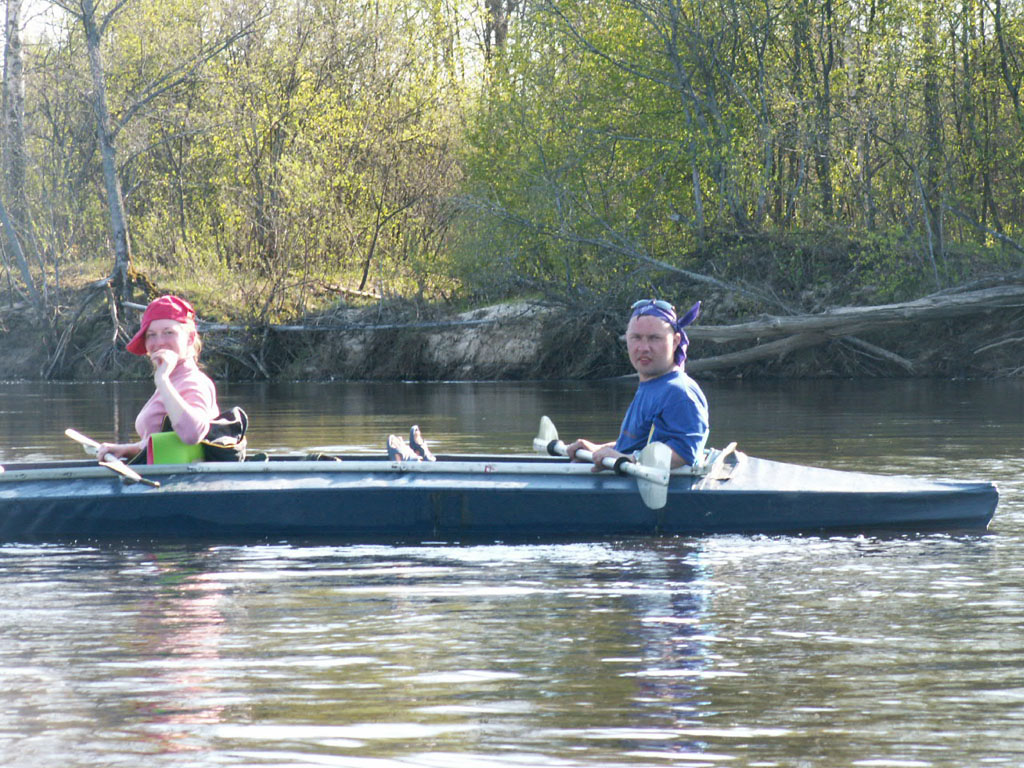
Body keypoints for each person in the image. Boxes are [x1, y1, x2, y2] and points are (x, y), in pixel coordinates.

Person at [566, 298, 709, 471]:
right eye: (636, 338)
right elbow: (641, 445)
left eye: (654, 338)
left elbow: (685, 453)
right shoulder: (652, 385)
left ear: (675, 342)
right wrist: (600, 449)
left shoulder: (680, 392)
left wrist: (631, 459)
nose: (643, 348)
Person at [96, 295, 220, 463]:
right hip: (163, 474)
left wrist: (162, 379)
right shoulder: (173, 379)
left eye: (169, 333)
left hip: (183, 478)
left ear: (190, 338)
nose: (159, 342)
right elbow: (165, 442)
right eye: (151, 335)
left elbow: (192, 435)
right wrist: (126, 449)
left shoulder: (193, 382)